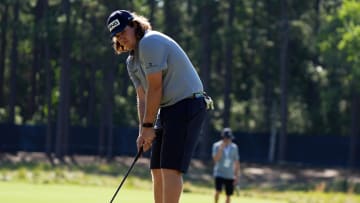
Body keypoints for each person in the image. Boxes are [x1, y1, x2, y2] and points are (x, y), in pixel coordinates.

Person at [106, 10, 211, 203]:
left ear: (134, 25)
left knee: (170, 168)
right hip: (167, 109)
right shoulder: (132, 61)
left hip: (187, 104)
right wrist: (143, 131)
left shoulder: (149, 42)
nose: (121, 38)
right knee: (156, 168)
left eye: (123, 31)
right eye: (117, 35)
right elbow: (143, 97)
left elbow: (156, 88)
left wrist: (148, 127)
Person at [212, 128, 240, 203]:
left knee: (228, 194)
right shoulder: (216, 146)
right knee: (218, 191)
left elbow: (236, 162)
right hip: (219, 173)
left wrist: (237, 175)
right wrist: (221, 149)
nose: (227, 140)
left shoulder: (234, 147)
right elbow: (215, 159)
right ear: (223, 137)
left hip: (230, 174)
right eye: (226, 138)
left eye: (229, 138)